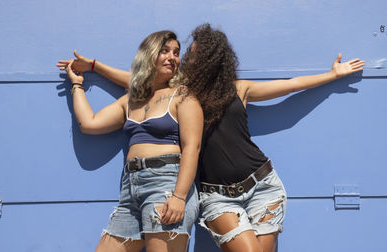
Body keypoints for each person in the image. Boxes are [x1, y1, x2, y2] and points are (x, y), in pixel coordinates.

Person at [58, 24, 365, 252]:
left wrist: (333, 75)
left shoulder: (233, 89)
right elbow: (138, 81)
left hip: (261, 184)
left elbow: (291, 84)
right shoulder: (177, 91)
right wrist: (94, 69)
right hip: (212, 194)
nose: (182, 59)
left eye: (187, 55)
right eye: (182, 55)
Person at [59, 30, 203, 252]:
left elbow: (193, 147)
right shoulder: (131, 99)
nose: (172, 57)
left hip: (166, 184)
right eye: (164, 51)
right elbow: (89, 123)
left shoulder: (182, 96)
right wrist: (77, 85)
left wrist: (179, 196)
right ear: (149, 55)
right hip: (131, 189)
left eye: (176, 52)